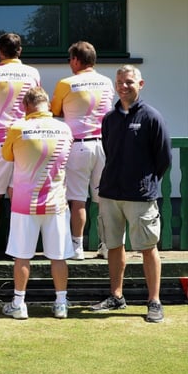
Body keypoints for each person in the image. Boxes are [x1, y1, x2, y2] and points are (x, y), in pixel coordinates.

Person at [90, 65, 171, 323]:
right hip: (111, 193)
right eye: (119, 82)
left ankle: (154, 301)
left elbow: (164, 158)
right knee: (113, 246)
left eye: (129, 82)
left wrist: (146, 181)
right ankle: (116, 296)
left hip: (140, 195)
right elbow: (108, 150)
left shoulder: (151, 117)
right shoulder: (110, 119)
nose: (123, 86)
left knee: (147, 248)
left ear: (141, 84)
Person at [0, 87, 73, 320]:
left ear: (26, 106)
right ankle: (61, 303)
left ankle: (19, 304)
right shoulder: (64, 129)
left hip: (24, 202)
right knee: (58, 256)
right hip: (56, 202)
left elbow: (7, 156)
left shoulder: (18, 128)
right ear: (47, 105)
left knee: (22, 255)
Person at [0, 33, 40, 260]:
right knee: (18, 196)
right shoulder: (33, 73)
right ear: (19, 50)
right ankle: (18, 249)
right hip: (26, 140)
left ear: (0, 52)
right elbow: (36, 105)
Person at [51, 41, 114, 260]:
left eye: (70, 59)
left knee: (77, 199)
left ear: (76, 60)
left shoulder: (66, 83)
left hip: (77, 144)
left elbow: (54, 109)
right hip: (104, 145)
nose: (70, 63)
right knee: (104, 199)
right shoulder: (107, 82)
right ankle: (108, 246)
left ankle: (77, 247)